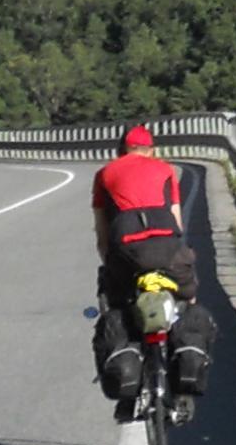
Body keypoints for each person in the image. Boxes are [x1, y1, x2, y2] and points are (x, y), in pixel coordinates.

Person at [91, 124, 214, 422]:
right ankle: (182, 386)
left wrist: (110, 263)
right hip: (169, 251)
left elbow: (102, 229)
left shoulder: (105, 174)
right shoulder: (166, 170)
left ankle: (125, 399)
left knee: (119, 307)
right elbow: (176, 221)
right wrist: (176, 258)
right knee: (188, 302)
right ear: (152, 150)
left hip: (126, 253)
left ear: (120, 151)